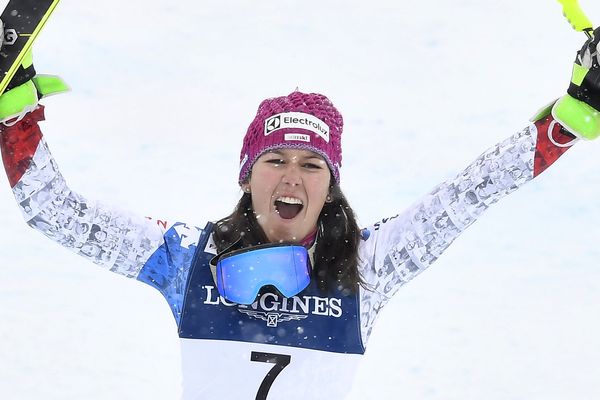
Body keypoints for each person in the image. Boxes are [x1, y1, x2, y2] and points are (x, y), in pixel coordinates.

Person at [1, 16, 600, 400]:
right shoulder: (188, 259)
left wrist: (566, 122)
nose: (292, 177)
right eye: (275, 161)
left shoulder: (369, 265)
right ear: (248, 176)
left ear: (331, 185)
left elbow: (471, 192)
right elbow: (56, 212)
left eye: (311, 166)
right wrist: (15, 118)